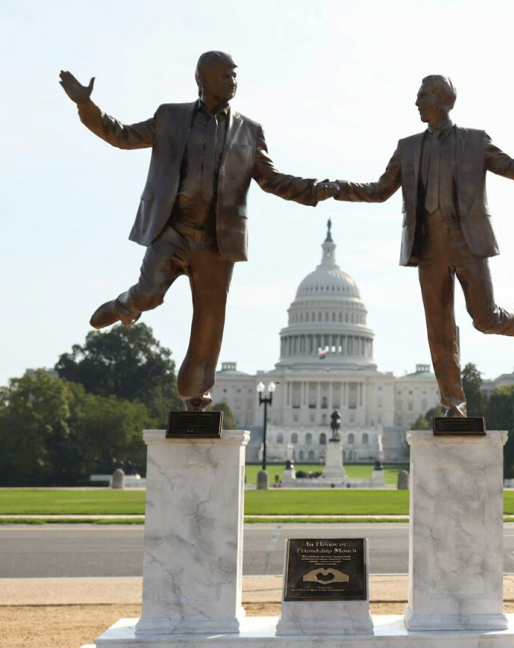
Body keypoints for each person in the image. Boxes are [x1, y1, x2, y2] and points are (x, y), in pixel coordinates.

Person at [59, 52, 337, 411]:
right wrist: (86, 104)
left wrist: (314, 189)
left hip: (217, 240)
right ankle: (126, 304)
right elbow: (122, 136)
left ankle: (195, 392)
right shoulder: (170, 117)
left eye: (235, 76)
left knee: (209, 318)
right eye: (225, 76)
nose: (233, 83)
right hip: (172, 229)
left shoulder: (249, 130)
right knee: (150, 294)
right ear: (202, 79)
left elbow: (271, 180)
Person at [328, 75, 514, 416]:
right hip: (428, 247)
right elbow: (380, 190)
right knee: (439, 327)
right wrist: (338, 187)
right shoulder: (408, 147)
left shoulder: (474, 141)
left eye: (422, 97)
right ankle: (453, 401)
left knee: (485, 319)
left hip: (467, 241)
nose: (416, 104)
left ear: (443, 99)